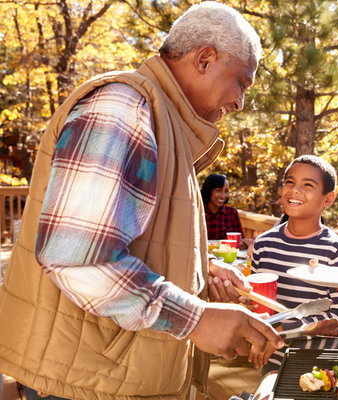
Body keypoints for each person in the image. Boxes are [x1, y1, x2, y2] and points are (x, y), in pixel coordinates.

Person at [0, 3, 284, 400]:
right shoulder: (120, 107)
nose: (240, 103)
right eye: (242, 83)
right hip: (82, 384)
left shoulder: (159, 118)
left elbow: (129, 236)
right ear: (204, 58)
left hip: (107, 376)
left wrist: (201, 270)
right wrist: (197, 319)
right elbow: (76, 255)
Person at [249, 155, 338, 373]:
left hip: (316, 362)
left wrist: (283, 332)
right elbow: (257, 301)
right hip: (271, 357)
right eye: (290, 182)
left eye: (307, 184)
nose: (295, 190)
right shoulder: (263, 244)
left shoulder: (335, 249)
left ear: (328, 199)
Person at [201, 173, 249, 246]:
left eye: (226, 191)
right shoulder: (197, 213)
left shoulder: (232, 213)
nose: (223, 196)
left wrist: (242, 244)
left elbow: (240, 241)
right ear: (209, 190)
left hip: (226, 256)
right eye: (219, 190)